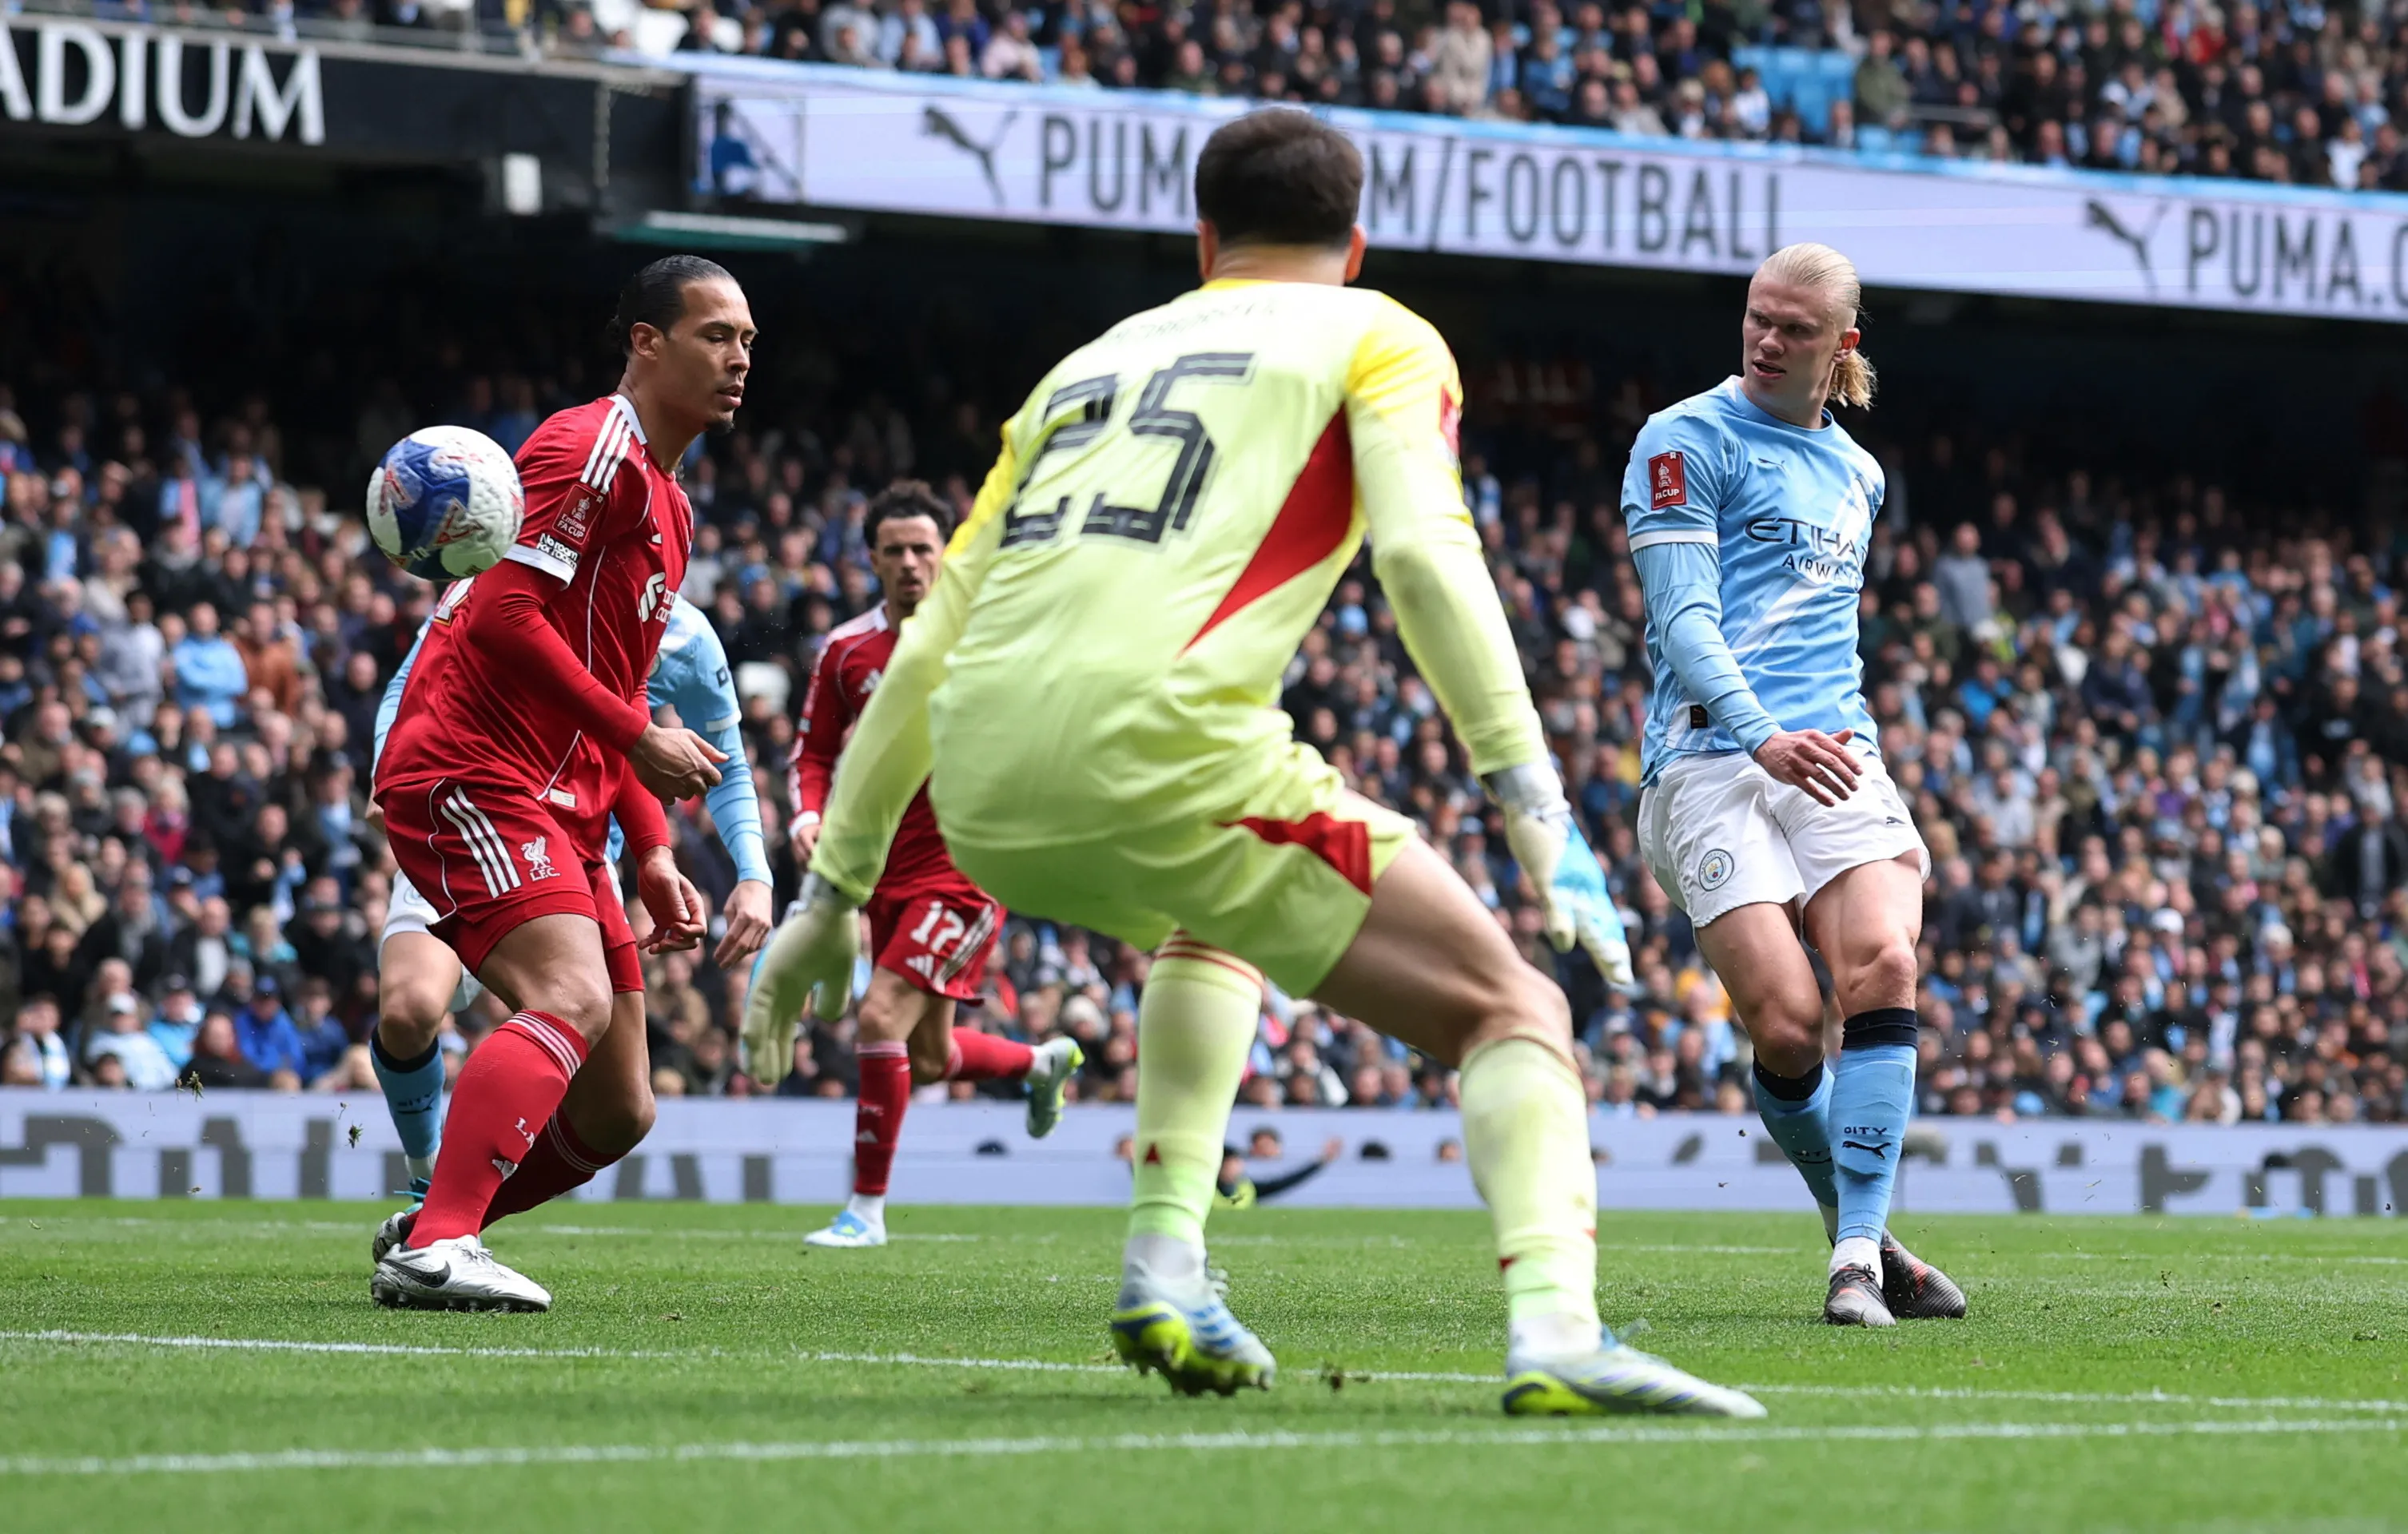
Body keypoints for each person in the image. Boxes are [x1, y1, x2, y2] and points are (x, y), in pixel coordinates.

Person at [749, 109, 1753, 1418]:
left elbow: (931, 639)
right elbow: (1420, 553)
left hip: (979, 785)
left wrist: (829, 895)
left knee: (1208, 918)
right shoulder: (1376, 332)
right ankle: (1557, 1329)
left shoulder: (1082, 368)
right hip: (1160, 748)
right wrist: (1531, 798)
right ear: (1356, 245)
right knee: (1512, 1010)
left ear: (1203, 239)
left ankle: (1165, 1261)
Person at [367, 255, 747, 1313]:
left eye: (747, 341)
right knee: (567, 998)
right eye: (716, 335)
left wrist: (654, 848)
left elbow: (613, 698)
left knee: (622, 1106)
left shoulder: (670, 505)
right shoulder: (589, 447)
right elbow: (500, 615)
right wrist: (639, 737)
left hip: (561, 799)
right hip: (471, 767)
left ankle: (440, 1225)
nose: (738, 359)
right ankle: (439, 1241)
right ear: (646, 343)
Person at [1621, 242, 1966, 1328]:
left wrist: (1806, 741)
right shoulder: (1683, 440)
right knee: (1785, 1023)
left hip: (1834, 753)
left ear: (1841, 344)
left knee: (1885, 961)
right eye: (1757, 319)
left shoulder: (1860, 475)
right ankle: (1856, 1226)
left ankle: (1855, 1258)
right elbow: (1684, 624)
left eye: (1795, 329)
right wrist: (1761, 735)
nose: (1768, 341)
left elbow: (1828, 638)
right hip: (1708, 759)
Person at [364, 589, 776, 1237]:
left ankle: (433, 1225)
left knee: (622, 1110)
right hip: (477, 815)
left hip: (582, 854)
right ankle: (429, 1182)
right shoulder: (516, 581)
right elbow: (413, 675)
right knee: (411, 1009)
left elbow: (678, 748)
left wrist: (736, 870)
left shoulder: (687, 638)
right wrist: (385, 763)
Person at [777, 481, 1084, 1250]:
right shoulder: (846, 651)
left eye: (923, 548)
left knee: (877, 1016)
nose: (910, 563)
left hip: (965, 869)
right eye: (895, 551)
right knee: (930, 1056)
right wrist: (807, 816)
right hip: (881, 873)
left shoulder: (988, 639)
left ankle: (864, 1212)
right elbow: (812, 753)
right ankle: (1038, 1063)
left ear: (946, 555)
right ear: (872, 560)